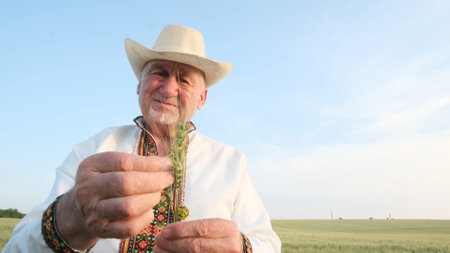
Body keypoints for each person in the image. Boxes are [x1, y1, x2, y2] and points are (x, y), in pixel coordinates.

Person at [4, 24, 281, 253]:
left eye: (184, 80)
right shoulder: (94, 150)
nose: (169, 88)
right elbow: (16, 247)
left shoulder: (230, 162)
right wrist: (71, 216)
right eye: (159, 72)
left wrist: (243, 248)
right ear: (140, 84)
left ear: (202, 98)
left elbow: (266, 243)